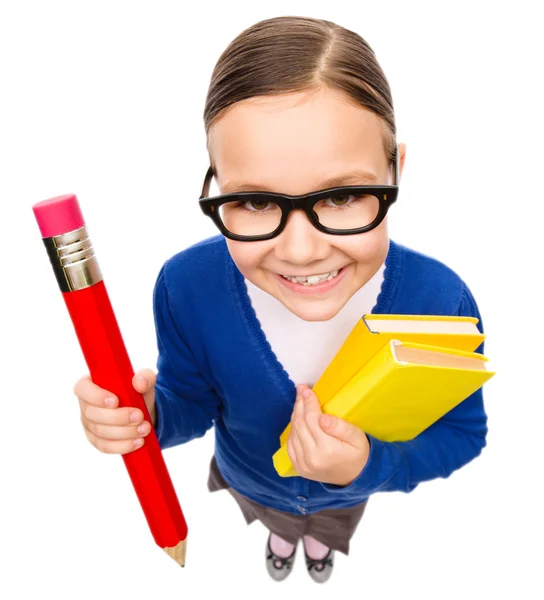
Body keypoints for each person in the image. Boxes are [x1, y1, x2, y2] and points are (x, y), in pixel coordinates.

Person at [73, 15, 488, 584]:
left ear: (396, 170)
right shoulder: (186, 286)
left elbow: (461, 435)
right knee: (277, 517)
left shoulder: (442, 301)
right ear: (216, 183)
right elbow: (191, 401)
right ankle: (282, 534)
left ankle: (317, 543)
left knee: (326, 525)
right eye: (256, 202)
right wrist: (148, 417)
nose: (300, 250)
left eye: (343, 195)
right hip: (251, 480)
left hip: (347, 494)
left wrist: (366, 466)